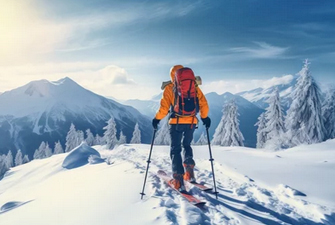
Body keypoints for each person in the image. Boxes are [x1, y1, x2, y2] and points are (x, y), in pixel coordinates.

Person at [152, 65, 211, 192]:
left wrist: (156, 119)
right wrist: (205, 117)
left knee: (175, 149)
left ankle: (178, 180)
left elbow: (164, 108)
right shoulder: (194, 86)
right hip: (191, 122)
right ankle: (189, 174)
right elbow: (204, 104)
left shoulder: (169, 88)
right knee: (187, 145)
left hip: (176, 122)